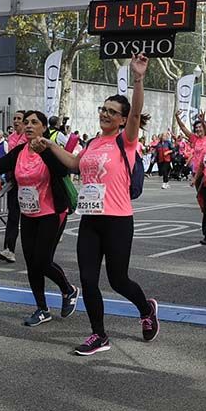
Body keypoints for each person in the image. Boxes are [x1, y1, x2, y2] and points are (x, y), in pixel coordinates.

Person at [33, 53, 158, 356]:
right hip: (90, 219)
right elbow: (75, 164)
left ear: (123, 119)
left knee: (118, 280)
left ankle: (146, 308)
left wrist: (138, 79)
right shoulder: (92, 143)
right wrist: (50, 145)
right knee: (88, 280)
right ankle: (98, 335)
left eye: (112, 112)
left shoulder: (125, 141)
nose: (105, 114)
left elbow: (136, 109)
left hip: (117, 220)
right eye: (103, 109)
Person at [0, 110, 80, 327]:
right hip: (29, 213)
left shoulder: (51, 149)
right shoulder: (19, 151)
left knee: (43, 260)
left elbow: (62, 170)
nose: (28, 125)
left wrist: (44, 151)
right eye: (25, 122)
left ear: (44, 128)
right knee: (31, 263)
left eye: (34, 122)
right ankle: (42, 308)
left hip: (52, 212)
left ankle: (69, 290)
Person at [0, 112, 26, 264]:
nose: (15, 121)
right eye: (14, 118)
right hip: (14, 181)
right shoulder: (12, 137)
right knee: (13, 216)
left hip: (29, 182)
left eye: (19, 119)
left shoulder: (29, 139)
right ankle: (9, 249)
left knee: (30, 218)